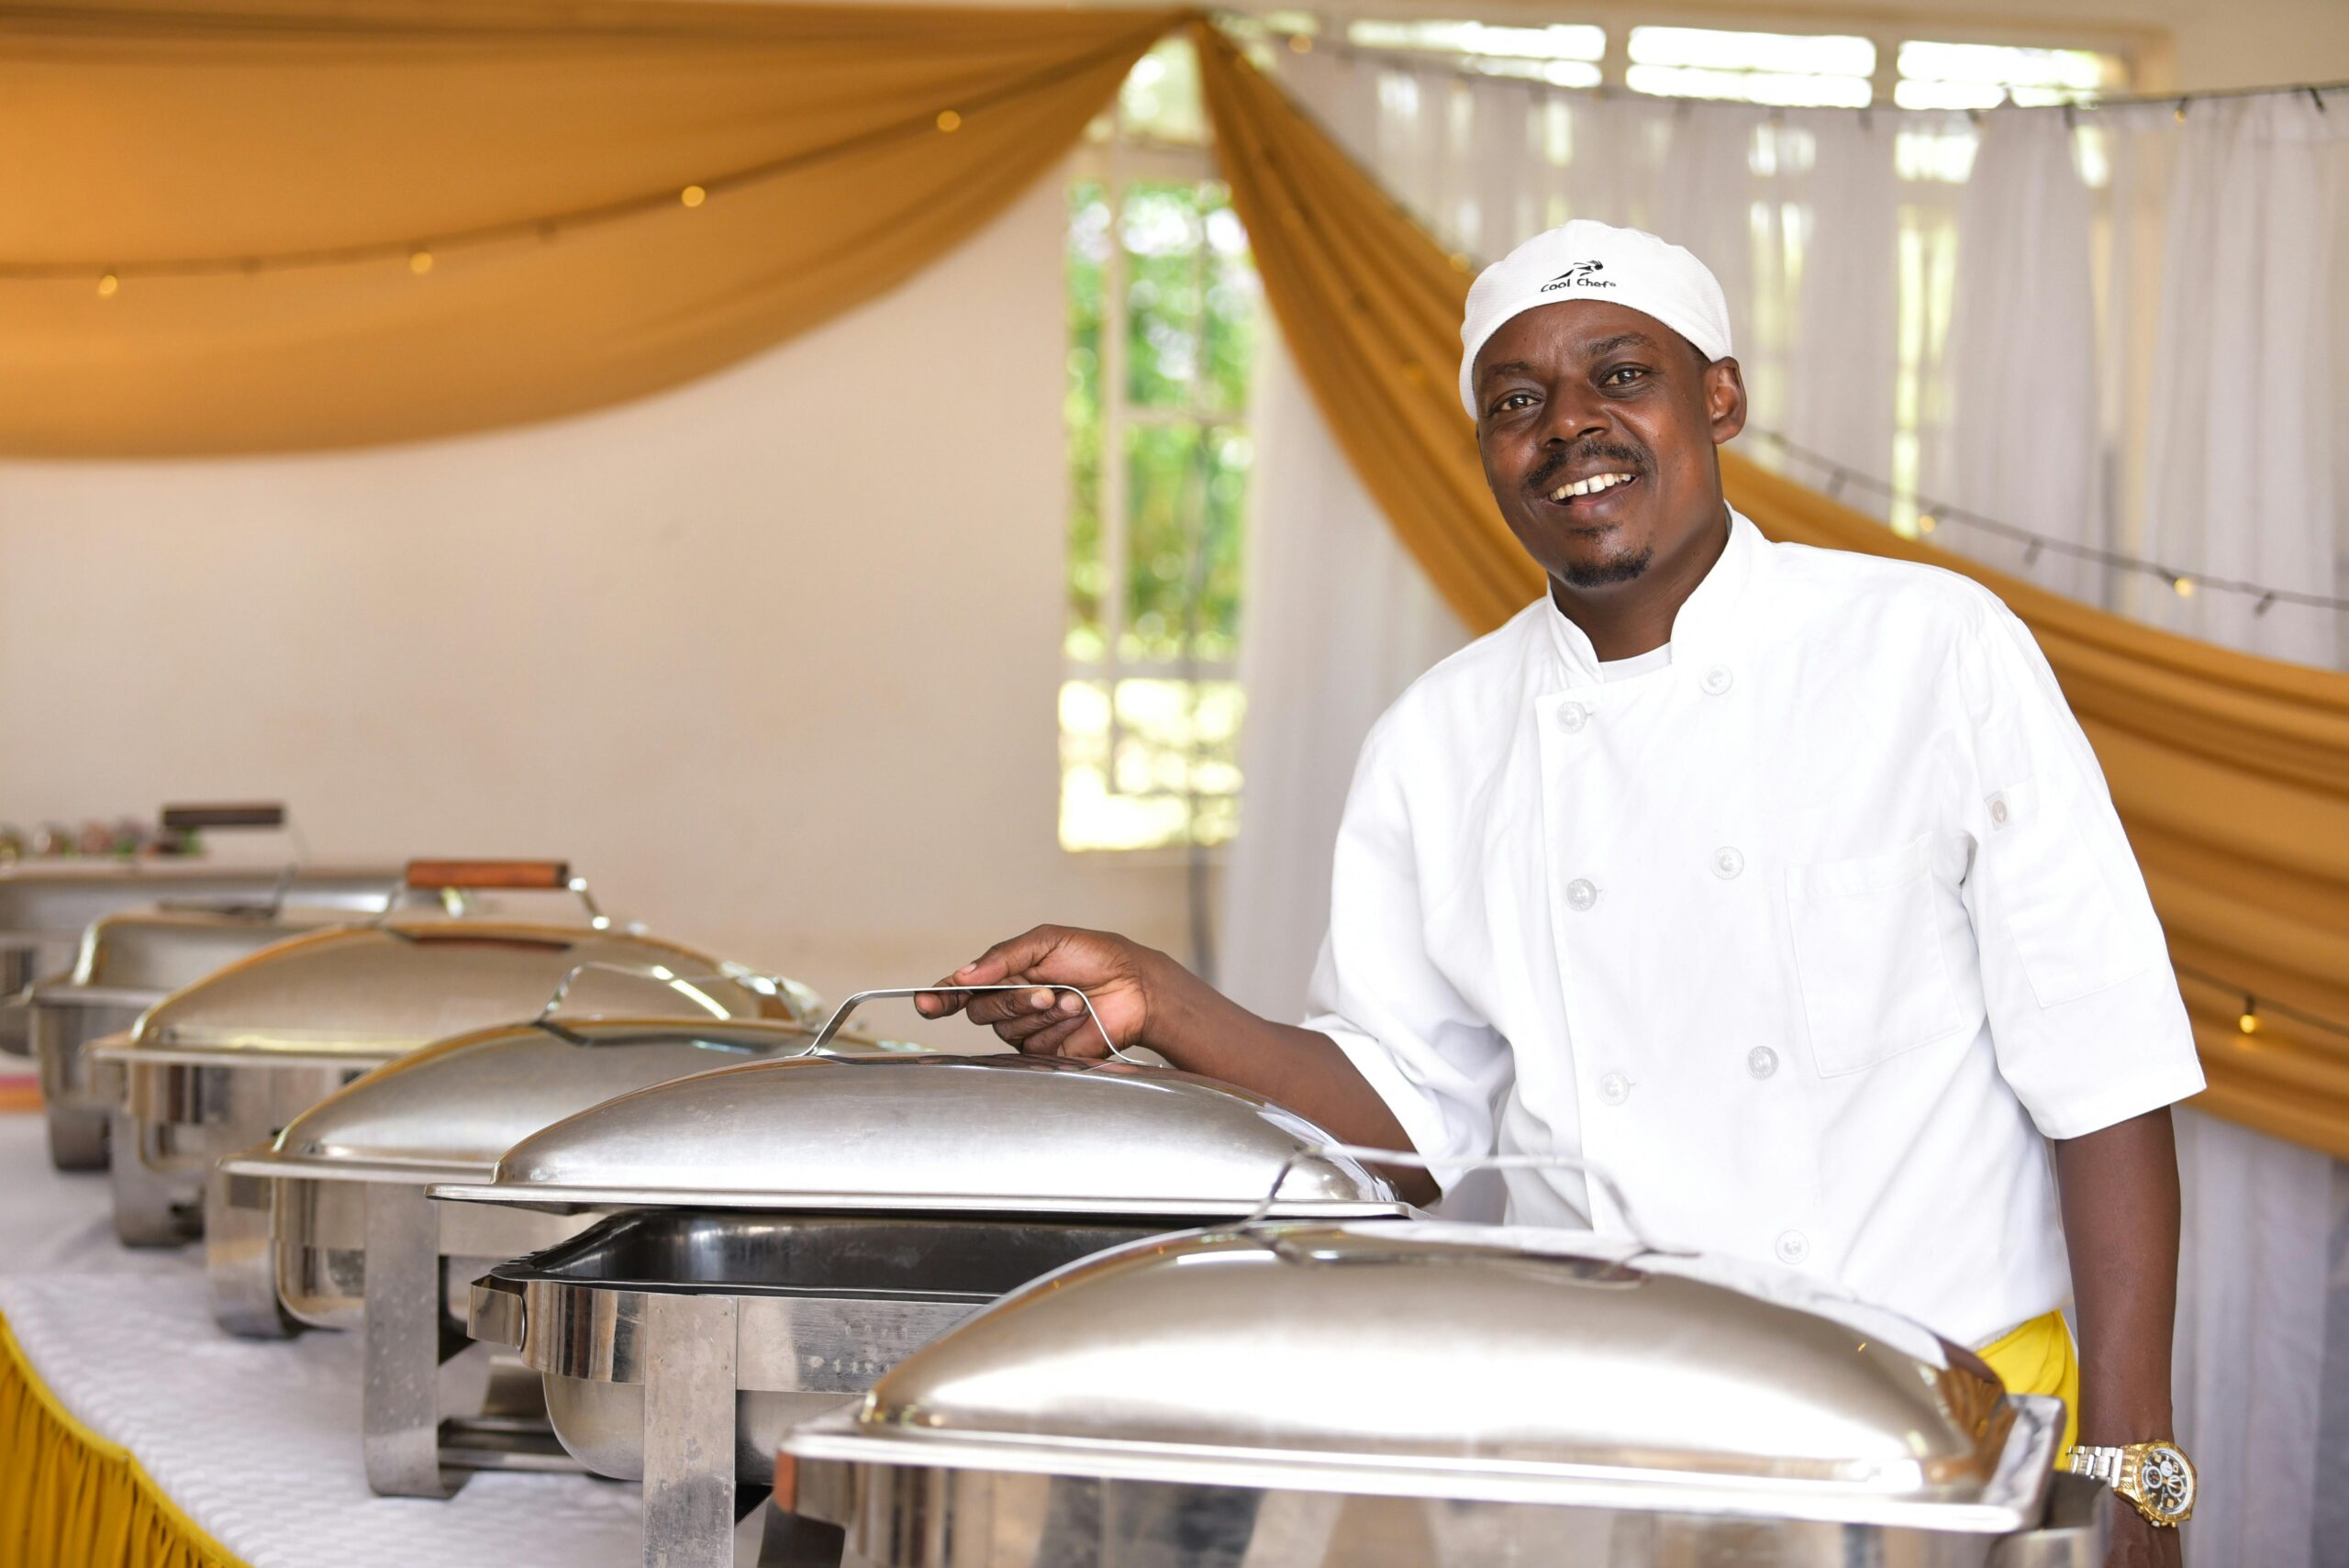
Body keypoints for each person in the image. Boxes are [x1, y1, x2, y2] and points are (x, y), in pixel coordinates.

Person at [918, 220, 2202, 1565]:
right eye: (1517, 401)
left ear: (1721, 395)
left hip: (1945, 1416)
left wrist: (2133, 1470)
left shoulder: (1932, 650)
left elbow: (2101, 1069)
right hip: (1604, 1435)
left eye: (1619, 374)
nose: (1569, 427)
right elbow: (1411, 1129)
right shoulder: (1439, 739)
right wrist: (1168, 1004)